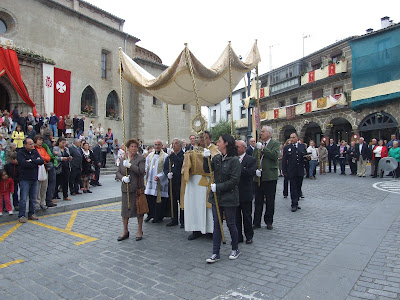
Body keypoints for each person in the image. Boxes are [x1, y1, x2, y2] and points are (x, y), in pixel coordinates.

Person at [203, 134, 241, 263]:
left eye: (219, 141)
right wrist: (206, 157)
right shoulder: (217, 158)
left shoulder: (234, 160)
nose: (217, 143)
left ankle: (235, 248)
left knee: (230, 223)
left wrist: (218, 187)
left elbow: (235, 180)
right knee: (217, 225)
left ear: (226, 144)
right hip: (217, 198)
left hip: (229, 197)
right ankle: (215, 252)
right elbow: (207, 169)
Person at [116, 138, 146, 241]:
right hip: (126, 189)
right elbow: (118, 172)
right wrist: (123, 178)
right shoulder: (123, 158)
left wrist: (130, 166)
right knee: (125, 211)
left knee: (139, 210)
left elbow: (141, 171)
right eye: (131, 146)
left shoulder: (141, 158)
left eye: (135, 146)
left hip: (137, 188)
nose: (133, 148)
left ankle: (139, 230)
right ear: (127, 148)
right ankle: (125, 230)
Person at [253, 126, 280, 229]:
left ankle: (269, 221)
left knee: (270, 200)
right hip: (258, 176)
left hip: (270, 176)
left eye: (263, 131)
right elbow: (254, 157)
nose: (261, 133)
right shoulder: (258, 144)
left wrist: (264, 149)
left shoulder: (275, 144)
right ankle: (256, 222)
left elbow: (274, 155)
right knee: (258, 200)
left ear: (269, 133)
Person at [17, 138, 44, 223]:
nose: (32, 145)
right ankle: (21, 215)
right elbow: (23, 163)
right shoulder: (20, 153)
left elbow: (41, 161)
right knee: (23, 198)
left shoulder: (35, 151)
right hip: (24, 178)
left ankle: (31, 213)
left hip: (34, 178)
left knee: (33, 198)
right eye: (30, 144)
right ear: (25, 145)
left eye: (32, 144)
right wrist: (34, 163)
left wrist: (31, 161)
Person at [235, 140, 256, 244]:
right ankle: (238, 236)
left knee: (247, 216)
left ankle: (249, 236)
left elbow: (250, 173)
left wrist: (239, 167)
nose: (236, 149)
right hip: (235, 192)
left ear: (244, 148)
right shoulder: (233, 159)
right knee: (236, 217)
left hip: (246, 191)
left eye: (238, 147)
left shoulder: (250, 159)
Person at [144, 139, 169, 223]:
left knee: (158, 200)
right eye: (155, 144)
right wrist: (145, 171)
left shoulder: (165, 156)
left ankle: (157, 216)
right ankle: (150, 214)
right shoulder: (150, 155)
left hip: (159, 181)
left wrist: (159, 176)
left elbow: (166, 169)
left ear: (162, 146)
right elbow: (146, 165)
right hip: (150, 180)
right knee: (149, 199)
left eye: (158, 144)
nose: (157, 146)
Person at [282, 133, 306, 212]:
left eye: (293, 137)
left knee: (299, 187)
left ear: (297, 138)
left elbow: (304, 157)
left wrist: (308, 158)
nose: (292, 139)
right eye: (290, 137)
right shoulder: (287, 148)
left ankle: (297, 201)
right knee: (293, 187)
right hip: (291, 171)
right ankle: (294, 204)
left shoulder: (302, 146)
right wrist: (284, 170)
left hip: (300, 170)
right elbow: (284, 160)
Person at [163, 138, 184, 227]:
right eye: (173, 143)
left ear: (180, 145)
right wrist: (167, 173)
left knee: (181, 202)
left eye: (175, 143)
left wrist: (173, 156)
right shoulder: (169, 157)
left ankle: (183, 220)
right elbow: (165, 167)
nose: (173, 145)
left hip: (180, 182)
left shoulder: (183, 155)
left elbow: (181, 164)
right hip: (171, 182)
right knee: (172, 201)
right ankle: (174, 219)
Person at [34, 135, 51, 210]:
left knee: (44, 187)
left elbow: (48, 157)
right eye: (39, 140)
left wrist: (42, 158)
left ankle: (42, 202)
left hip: (44, 168)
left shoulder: (43, 149)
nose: (41, 141)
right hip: (37, 169)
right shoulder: (34, 149)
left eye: (41, 140)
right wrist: (42, 158)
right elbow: (37, 158)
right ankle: (37, 203)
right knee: (37, 188)